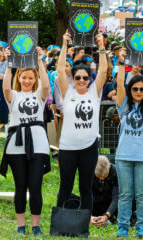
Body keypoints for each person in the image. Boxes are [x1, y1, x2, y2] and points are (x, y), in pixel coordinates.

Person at [0, 46, 50, 236]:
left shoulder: (39, 95)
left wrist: (39, 62)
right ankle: (21, 225)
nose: (27, 81)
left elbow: (46, 86)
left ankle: (35, 225)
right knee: (20, 186)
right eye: (24, 77)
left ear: (34, 79)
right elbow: (5, 88)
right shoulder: (13, 95)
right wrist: (8, 64)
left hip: (38, 144)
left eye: (31, 78)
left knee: (35, 185)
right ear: (19, 79)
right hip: (17, 145)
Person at [56, 31, 107, 216]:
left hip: (88, 147)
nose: (82, 81)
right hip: (68, 148)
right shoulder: (67, 91)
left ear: (89, 79)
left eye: (85, 78)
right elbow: (61, 69)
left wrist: (101, 46)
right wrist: (64, 45)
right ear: (73, 79)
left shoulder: (95, 92)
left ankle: (84, 225)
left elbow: (103, 71)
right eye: (78, 78)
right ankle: (59, 223)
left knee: (86, 188)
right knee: (65, 187)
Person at [115, 47, 143, 238]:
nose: (139, 91)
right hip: (124, 157)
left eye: (142, 89)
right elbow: (118, 85)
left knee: (142, 195)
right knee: (125, 195)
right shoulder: (124, 106)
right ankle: (123, 228)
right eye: (135, 89)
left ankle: (141, 227)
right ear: (130, 90)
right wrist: (122, 63)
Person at [90, 156, 118, 228]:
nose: (101, 178)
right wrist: (88, 216)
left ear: (109, 167)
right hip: (94, 203)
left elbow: (116, 198)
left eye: (104, 176)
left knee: (130, 199)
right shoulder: (89, 170)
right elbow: (86, 195)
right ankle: (91, 218)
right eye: (98, 177)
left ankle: (109, 219)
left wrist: (106, 215)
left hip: (110, 204)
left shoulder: (115, 171)